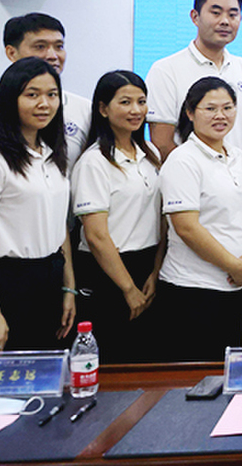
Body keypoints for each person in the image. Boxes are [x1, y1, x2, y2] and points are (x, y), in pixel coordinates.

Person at [0, 14, 90, 312]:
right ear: (11, 52)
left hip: (53, 256)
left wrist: (68, 284)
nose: (52, 55)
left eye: (59, 46)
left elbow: (59, 213)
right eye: (40, 46)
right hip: (1, 263)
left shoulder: (59, 137)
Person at [0, 58, 76, 354]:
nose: (44, 104)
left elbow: (58, 225)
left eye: (52, 94)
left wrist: (68, 287)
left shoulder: (51, 154)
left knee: (45, 375)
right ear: (10, 99)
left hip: (48, 276)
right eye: (32, 95)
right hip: (4, 282)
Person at [157, 77, 242, 361]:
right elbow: (186, 228)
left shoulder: (238, 156)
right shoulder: (183, 160)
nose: (220, 115)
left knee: (224, 372)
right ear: (190, 113)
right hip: (193, 289)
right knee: (192, 378)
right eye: (210, 109)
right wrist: (233, 265)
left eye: (227, 108)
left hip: (234, 287)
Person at [71, 71, 166, 363]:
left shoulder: (149, 153)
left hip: (146, 266)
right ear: (103, 109)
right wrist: (128, 289)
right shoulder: (94, 162)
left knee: (145, 359)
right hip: (107, 272)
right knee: (112, 360)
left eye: (141, 101)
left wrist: (155, 272)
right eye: (125, 102)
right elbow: (96, 236)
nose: (136, 110)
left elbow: (159, 219)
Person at [146, 0, 242, 160]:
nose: (225, 21)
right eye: (216, 13)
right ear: (195, 17)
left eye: (233, 14)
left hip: (238, 174)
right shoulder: (166, 70)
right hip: (188, 174)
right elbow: (162, 143)